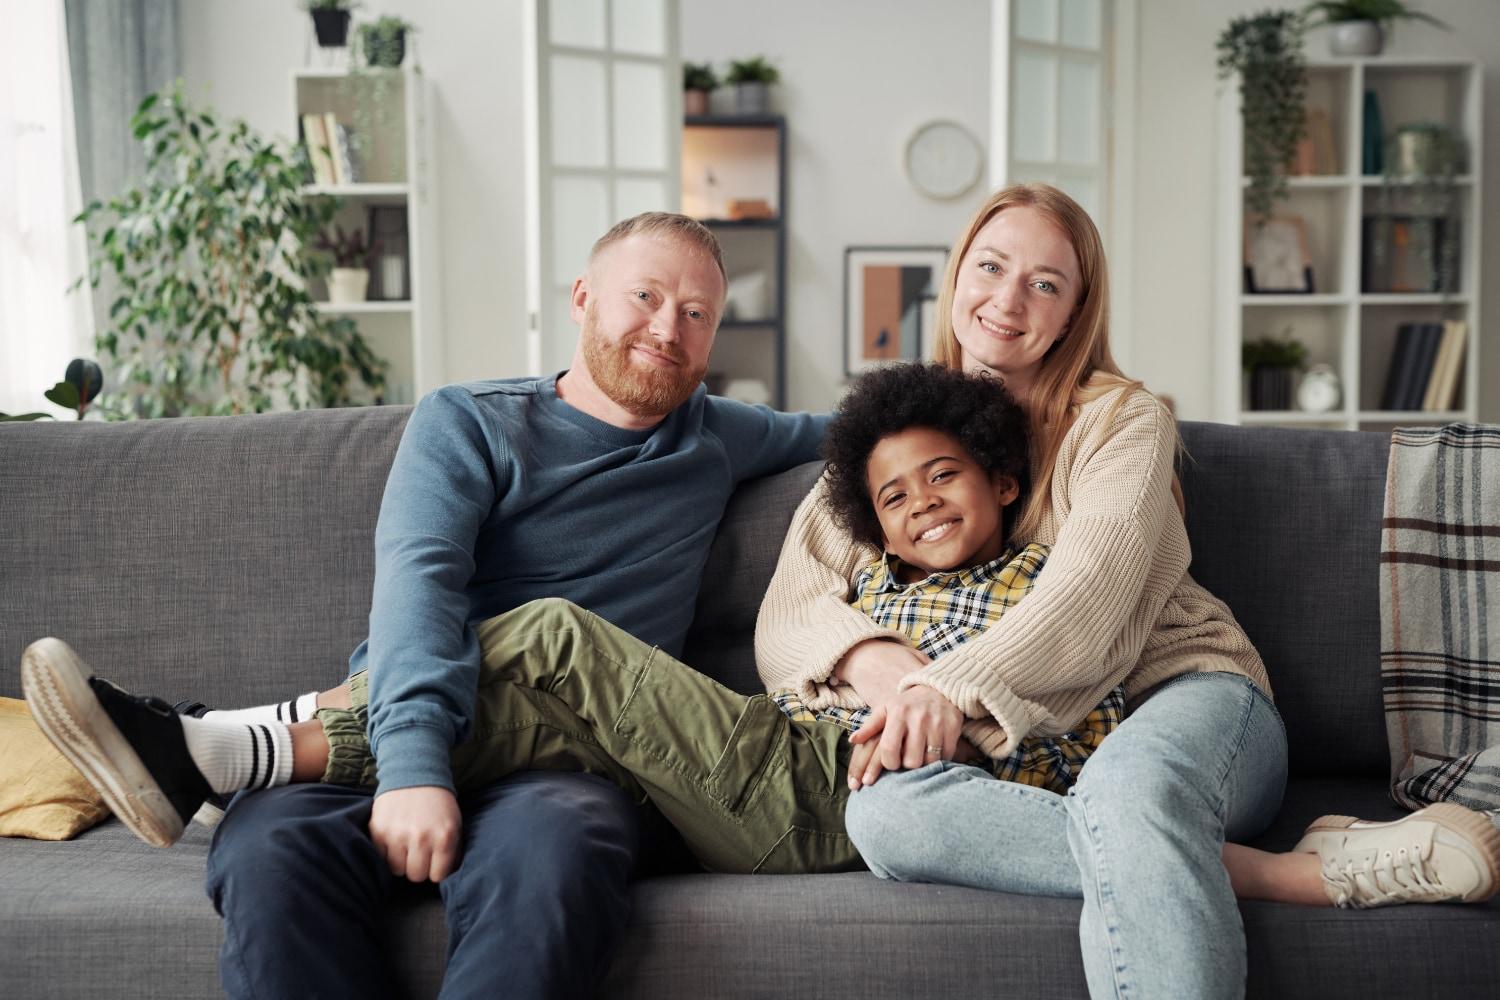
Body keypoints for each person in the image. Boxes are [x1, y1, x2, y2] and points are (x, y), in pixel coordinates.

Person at [24, 211, 832, 999]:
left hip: (572, 768)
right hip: (398, 734)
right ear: (583, 297)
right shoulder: (470, 422)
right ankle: (246, 751)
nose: (668, 328)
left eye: (698, 314)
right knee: (267, 851)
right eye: (646, 297)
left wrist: (962, 363)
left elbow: (872, 430)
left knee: (554, 859)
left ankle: (235, 746)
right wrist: (414, 768)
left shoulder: (718, 436)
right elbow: (420, 588)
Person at [753, 183, 1500, 999]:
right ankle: (1295, 874)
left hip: (1184, 696)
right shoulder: (886, 440)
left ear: (1075, 312)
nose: (1007, 300)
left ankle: (1163, 837)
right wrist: (895, 679)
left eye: (1044, 283)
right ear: (958, 272)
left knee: (1130, 792)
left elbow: (1090, 595)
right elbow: (789, 616)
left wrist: (947, 688)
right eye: (992, 266)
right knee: (887, 817)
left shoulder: (1122, 421)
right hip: (1023, 748)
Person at [24, 363, 1127, 878]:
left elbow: (1074, 709)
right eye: (895, 496)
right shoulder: (869, 574)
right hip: (773, 749)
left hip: (832, 799)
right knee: (518, 703)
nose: (923, 501)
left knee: (549, 635)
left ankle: (232, 739)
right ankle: (234, 760)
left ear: (1002, 478)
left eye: (947, 476)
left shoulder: (1049, 594)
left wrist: (939, 704)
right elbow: (831, 467)